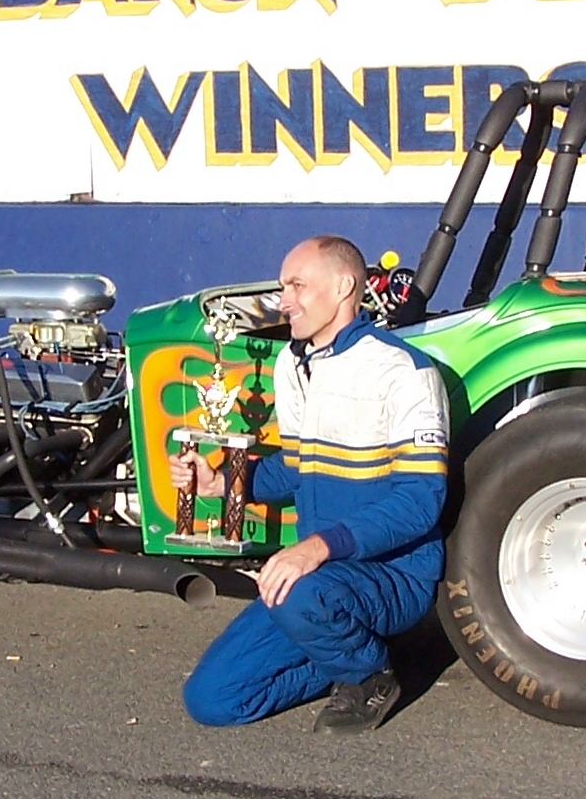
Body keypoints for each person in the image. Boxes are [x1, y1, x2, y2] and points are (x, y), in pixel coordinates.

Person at [172, 235, 449, 732]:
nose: (284, 301)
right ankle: (346, 653)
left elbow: (419, 502)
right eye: (283, 287)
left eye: (297, 285)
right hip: (319, 581)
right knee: (211, 701)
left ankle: (370, 676)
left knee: (298, 591)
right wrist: (224, 484)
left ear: (343, 287)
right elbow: (294, 467)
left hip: (393, 577)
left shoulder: (404, 370)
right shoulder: (290, 363)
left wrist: (317, 547)